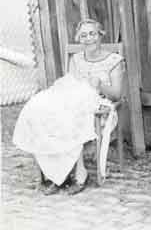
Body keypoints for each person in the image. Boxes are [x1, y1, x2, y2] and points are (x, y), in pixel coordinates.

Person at [13, 19, 125, 195]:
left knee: (73, 119)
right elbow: (69, 87)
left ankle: (81, 174)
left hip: (101, 109)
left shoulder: (114, 60)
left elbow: (117, 95)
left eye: (92, 34)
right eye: (84, 35)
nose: (89, 39)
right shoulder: (76, 59)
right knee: (45, 117)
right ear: (79, 39)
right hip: (76, 104)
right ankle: (57, 175)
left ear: (100, 35)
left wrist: (100, 85)